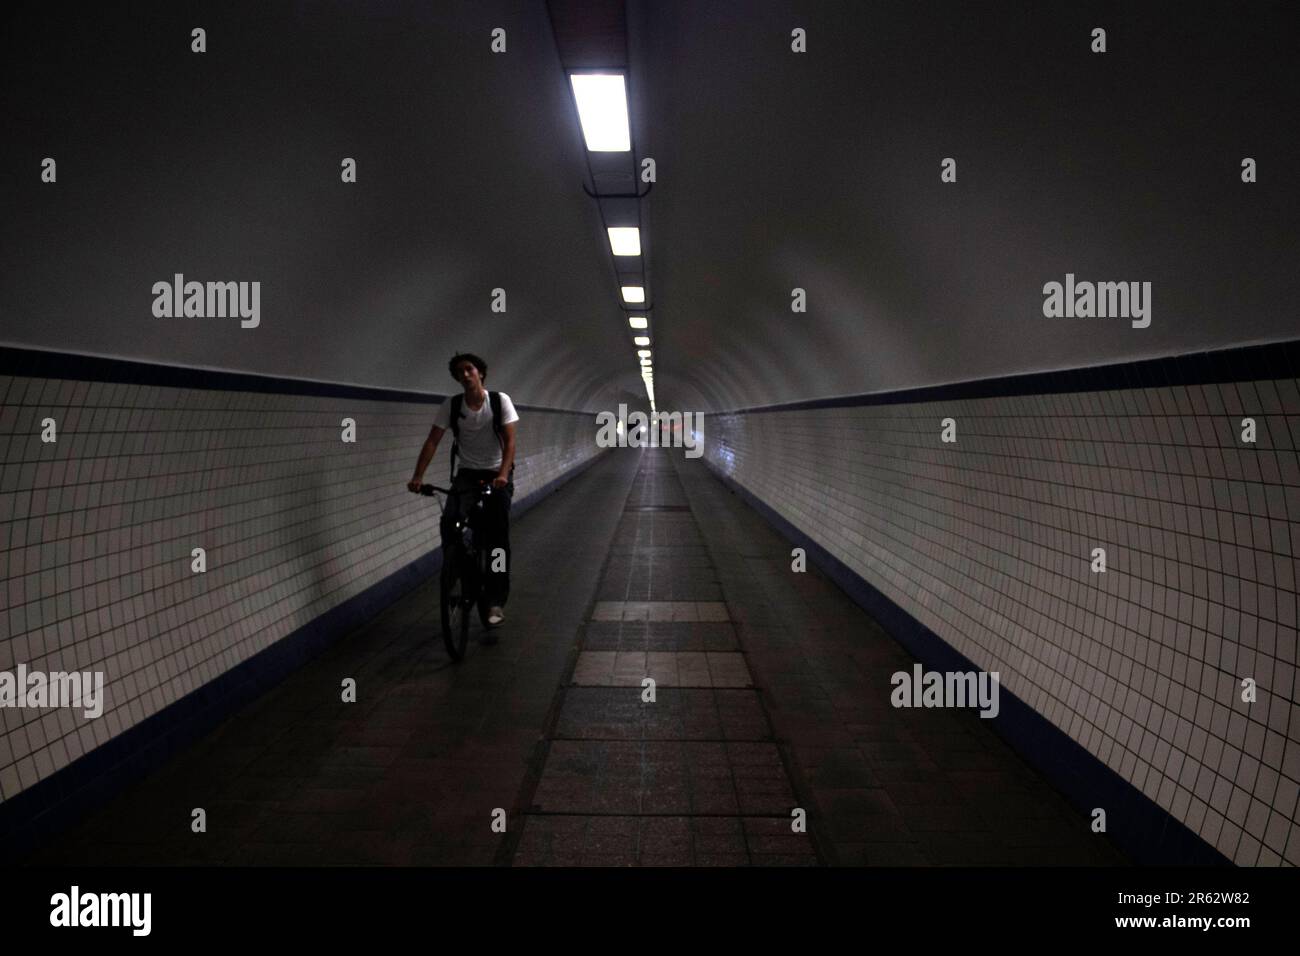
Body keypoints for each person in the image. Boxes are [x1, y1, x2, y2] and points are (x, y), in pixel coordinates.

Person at [408, 353, 518, 625]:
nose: (465, 375)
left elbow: (510, 442)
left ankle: (495, 602)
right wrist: (418, 476)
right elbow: (433, 440)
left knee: (497, 542)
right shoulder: (453, 405)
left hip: (496, 474)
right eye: (460, 372)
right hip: (467, 474)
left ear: (480, 373)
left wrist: (504, 473)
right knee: (449, 522)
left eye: (469, 369)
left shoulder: (499, 401)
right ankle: (456, 569)